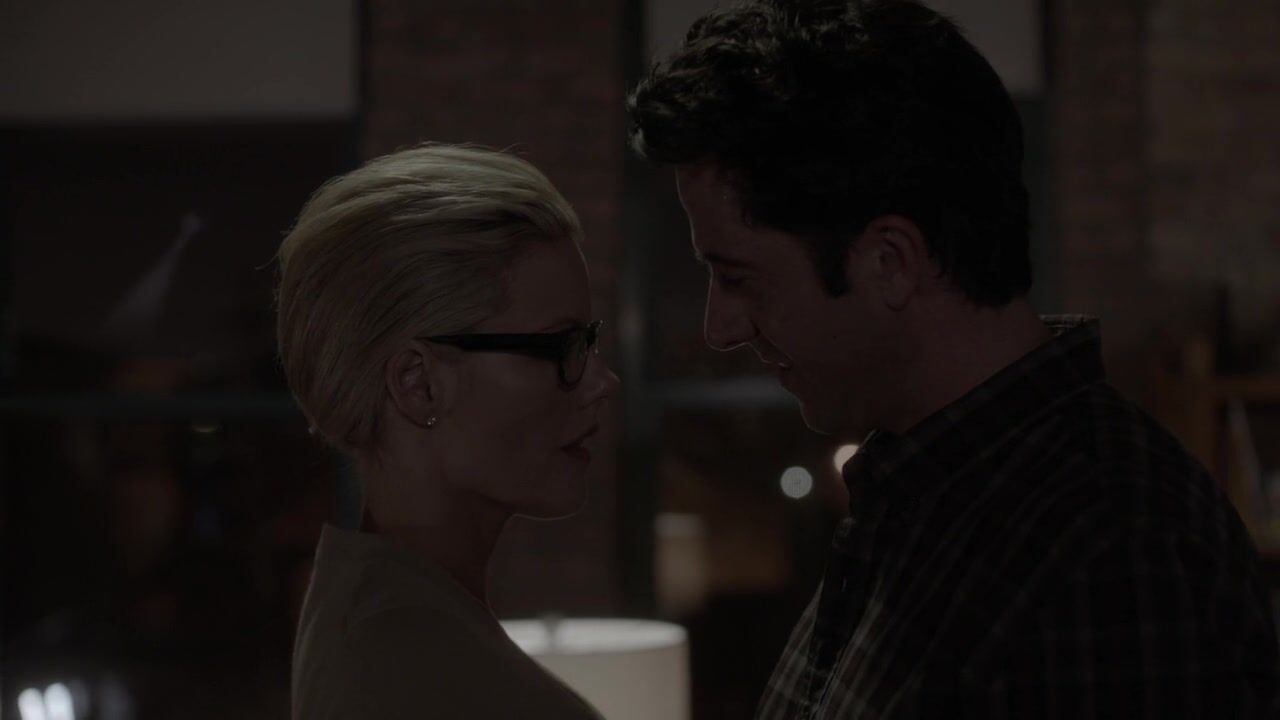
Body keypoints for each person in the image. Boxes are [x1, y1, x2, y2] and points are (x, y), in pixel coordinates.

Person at [627, 0, 1280, 717]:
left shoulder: (1106, 553)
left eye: (739, 277)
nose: (718, 328)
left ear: (890, 262)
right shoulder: (922, 490)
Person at [276, 143, 618, 719]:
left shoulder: (382, 617)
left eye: (590, 341)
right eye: (561, 346)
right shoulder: (410, 667)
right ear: (419, 384)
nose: (602, 381)